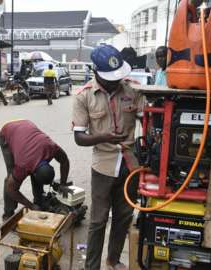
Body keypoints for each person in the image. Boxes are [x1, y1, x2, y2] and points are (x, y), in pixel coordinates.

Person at [72, 45, 144, 270]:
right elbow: (79, 138)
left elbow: (149, 121)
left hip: (131, 165)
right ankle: (91, 267)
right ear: (96, 72)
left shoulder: (134, 90)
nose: (116, 82)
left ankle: (113, 260)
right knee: (98, 221)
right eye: (110, 78)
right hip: (103, 167)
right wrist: (103, 137)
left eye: (118, 77)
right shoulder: (84, 96)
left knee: (123, 217)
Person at [0, 119, 70, 220]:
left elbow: (65, 161)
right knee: (10, 178)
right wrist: (30, 206)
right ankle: (8, 214)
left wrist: (63, 184)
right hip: (7, 132)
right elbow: (11, 189)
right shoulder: (22, 165)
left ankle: (39, 201)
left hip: (25, 125)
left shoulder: (51, 147)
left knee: (36, 171)